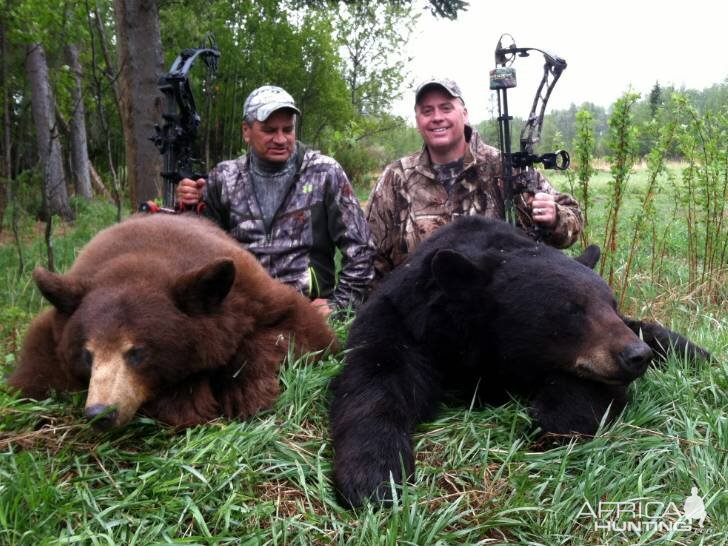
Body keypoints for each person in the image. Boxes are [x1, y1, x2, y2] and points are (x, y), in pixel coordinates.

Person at [177, 85, 375, 317]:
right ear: (246, 131)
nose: (281, 139)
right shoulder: (224, 177)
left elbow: (361, 248)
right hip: (242, 311)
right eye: (270, 130)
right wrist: (188, 204)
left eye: (288, 129)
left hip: (306, 311)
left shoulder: (324, 172)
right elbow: (198, 251)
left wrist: (339, 304)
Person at [366, 77, 583, 281]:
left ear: (464, 113)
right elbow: (371, 257)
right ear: (417, 120)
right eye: (427, 111)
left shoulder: (505, 168)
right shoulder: (396, 178)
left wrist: (555, 217)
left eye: (446, 108)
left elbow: (572, 223)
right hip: (419, 311)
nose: (437, 117)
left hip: (498, 309)